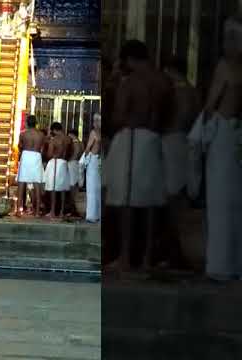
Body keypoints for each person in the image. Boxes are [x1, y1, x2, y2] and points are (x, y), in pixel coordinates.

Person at [104, 40, 173, 271]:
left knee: (127, 202)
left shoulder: (130, 82)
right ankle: (146, 258)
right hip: (155, 139)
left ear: (128, 60)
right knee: (151, 200)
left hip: (132, 138)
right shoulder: (164, 81)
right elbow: (168, 115)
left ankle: (124, 256)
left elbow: (118, 115)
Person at [191, 14, 242, 281]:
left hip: (223, 133)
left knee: (221, 201)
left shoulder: (226, 66)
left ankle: (220, 265)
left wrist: (201, 137)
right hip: (236, 133)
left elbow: (212, 104)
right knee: (235, 202)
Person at [160, 56, 200, 268]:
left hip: (173, 142)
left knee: (171, 198)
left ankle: (173, 252)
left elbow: (179, 118)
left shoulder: (177, 92)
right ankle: (175, 250)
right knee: (179, 196)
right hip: (186, 143)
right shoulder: (193, 91)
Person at [16, 115, 45, 216]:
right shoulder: (41, 134)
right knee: (37, 183)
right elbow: (43, 147)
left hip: (26, 155)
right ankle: (37, 212)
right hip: (36, 155)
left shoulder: (23, 134)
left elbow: (20, 146)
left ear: (27, 123)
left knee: (21, 183)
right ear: (36, 123)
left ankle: (19, 210)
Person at [44, 122, 72, 218]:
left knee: (53, 188)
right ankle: (61, 211)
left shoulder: (54, 140)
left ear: (54, 130)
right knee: (63, 188)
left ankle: (52, 211)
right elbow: (71, 152)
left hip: (55, 163)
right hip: (64, 163)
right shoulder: (69, 139)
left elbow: (49, 154)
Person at [82, 113, 102, 223]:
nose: (94, 123)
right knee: (98, 188)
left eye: (96, 120)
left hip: (93, 160)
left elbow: (88, 147)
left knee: (91, 189)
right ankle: (98, 213)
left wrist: (84, 160)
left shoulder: (94, 133)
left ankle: (91, 215)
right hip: (99, 160)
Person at [67, 129, 83, 215]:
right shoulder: (81, 143)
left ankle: (72, 208)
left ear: (72, 135)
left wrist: (69, 160)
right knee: (75, 185)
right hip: (78, 164)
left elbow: (76, 153)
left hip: (73, 163)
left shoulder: (75, 143)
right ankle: (73, 207)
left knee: (72, 185)